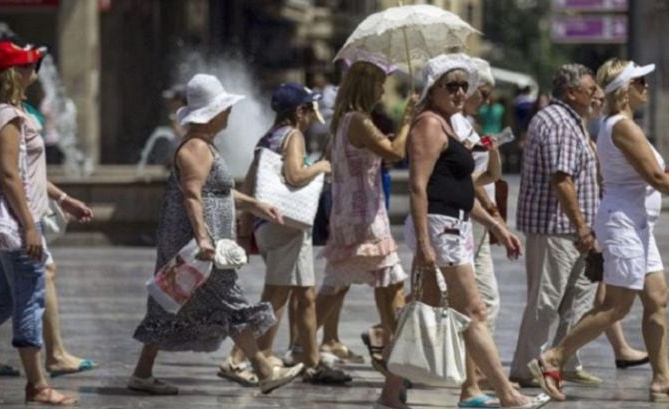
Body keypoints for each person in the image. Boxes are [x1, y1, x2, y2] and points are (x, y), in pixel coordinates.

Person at [528, 59, 669, 403]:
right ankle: (553, 358)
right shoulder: (622, 127)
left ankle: (662, 377)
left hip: (638, 225)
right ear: (625, 91)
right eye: (640, 83)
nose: (646, 87)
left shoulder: (620, 125)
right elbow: (656, 178)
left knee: (657, 297)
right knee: (615, 306)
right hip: (623, 226)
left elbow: (637, 175)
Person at [376, 53, 547, 409]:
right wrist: (424, 242)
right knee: (474, 310)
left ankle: (390, 394)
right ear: (432, 89)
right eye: (450, 86)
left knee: (420, 310)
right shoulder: (428, 125)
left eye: (462, 86)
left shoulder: (449, 124)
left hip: (454, 223)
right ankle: (507, 394)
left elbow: (460, 189)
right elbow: (419, 187)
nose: (458, 93)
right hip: (440, 228)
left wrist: (496, 226)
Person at [129, 73, 304, 395]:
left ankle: (141, 373)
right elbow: (192, 195)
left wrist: (255, 205)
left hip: (200, 243)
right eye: (224, 108)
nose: (229, 113)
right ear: (212, 113)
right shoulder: (195, 147)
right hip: (197, 245)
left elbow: (219, 191)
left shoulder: (205, 145)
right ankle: (264, 370)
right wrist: (204, 239)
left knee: (169, 303)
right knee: (228, 301)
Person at [230, 82, 350, 384]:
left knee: (306, 296)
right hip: (286, 225)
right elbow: (295, 175)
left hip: (274, 226)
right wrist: (321, 165)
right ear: (299, 112)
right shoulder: (293, 135)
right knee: (274, 298)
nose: (311, 116)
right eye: (309, 109)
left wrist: (246, 226)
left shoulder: (267, 137)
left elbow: (249, 181)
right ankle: (239, 358)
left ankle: (311, 363)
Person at [0, 40, 81, 406]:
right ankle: (38, 385)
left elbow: (26, 171)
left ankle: (39, 382)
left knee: (3, 300)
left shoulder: (2, 112)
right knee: (30, 300)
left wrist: (62, 197)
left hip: (9, 222)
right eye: (29, 66)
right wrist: (30, 225)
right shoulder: (8, 117)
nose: (35, 71)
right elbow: (10, 175)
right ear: (15, 73)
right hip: (16, 224)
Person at [317, 54, 413, 380]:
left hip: (350, 212)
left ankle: (390, 352)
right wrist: (409, 120)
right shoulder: (358, 120)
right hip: (365, 216)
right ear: (366, 85)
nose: (382, 92)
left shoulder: (344, 120)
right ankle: (300, 346)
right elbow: (397, 153)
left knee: (378, 284)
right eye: (379, 85)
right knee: (366, 283)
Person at [510, 64, 603, 388]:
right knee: (546, 301)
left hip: (572, 228)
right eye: (591, 89)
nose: (597, 95)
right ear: (571, 93)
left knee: (578, 299)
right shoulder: (560, 123)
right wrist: (580, 225)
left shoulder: (570, 120)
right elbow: (561, 179)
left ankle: (564, 359)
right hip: (557, 227)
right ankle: (525, 366)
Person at [449, 56, 508, 406]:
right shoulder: (447, 126)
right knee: (473, 302)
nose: (485, 100)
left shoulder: (467, 124)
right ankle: (475, 380)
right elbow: (458, 180)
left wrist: (494, 152)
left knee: (481, 302)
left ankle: (475, 376)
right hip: (458, 221)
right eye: (480, 92)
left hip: (476, 218)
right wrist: (490, 213)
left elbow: (482, 176)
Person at [585, 85, 649, 370]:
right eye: (592, 95)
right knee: (613, 302)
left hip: (617, 217)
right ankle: (555, 357)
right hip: (608, 218)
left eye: (598, 96)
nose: (596, 100)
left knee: (610, 296)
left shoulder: (597, 130)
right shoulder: (614, 127)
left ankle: (624, 350)